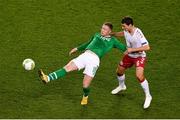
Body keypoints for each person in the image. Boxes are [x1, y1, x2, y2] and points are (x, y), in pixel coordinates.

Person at [38, 22, 127, 105]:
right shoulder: (96, 35)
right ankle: (47, 78)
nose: (102, 30)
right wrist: (77, 48)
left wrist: (136, 51)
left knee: (85, 85)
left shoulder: (113, 41)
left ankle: (85, 96)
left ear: (109, 31)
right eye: (102, 28)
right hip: (85, 55)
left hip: (94, 61)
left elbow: (125, 48)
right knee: (67, 67)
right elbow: (88, 43)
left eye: (105, 29)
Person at [111, 17, 152, 109]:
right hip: (130, 55)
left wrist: (131, 50)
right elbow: (123, 33)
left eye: (124, 26)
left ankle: (148, 96)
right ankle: (122, 86)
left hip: (139, 56)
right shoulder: (126, 31)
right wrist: (113, 34)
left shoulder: (138, 33)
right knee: (119, 71)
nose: (122, 28)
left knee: (139, 76)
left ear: (130, 25)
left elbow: (147, 47)